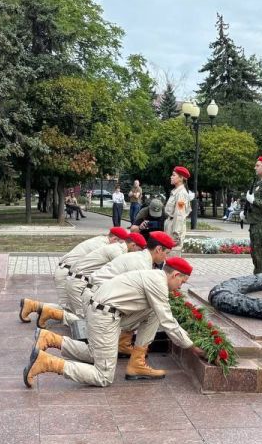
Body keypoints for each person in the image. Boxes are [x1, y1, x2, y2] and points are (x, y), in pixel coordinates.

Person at [24, 257, 205, 388]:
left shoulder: (154, 276)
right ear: (175, 275)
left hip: (104, 313)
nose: (182, 285)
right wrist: (191, 346)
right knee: (103, 376)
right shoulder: (157, 283)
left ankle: (50, 339)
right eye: (183, 280)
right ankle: (47, 362)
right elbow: (168, 321)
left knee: (152, 314)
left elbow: (158, 315)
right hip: (104, 317)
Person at [20, 226, 127, 323]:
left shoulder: (100, 240)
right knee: (74, 311)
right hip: (68, 273)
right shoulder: (102, 246)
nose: (119, 246)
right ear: (114, 239)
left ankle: (32, 306)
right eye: (120, 243)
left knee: (68, 308)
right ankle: (33, 306)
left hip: (66, 271)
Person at [164, 166, 191, 249]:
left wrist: (176, 234)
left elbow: (179, 214)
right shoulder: (176, 192)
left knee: (172, 254)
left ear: (181, 178)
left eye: (173, 175)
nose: (171, 177)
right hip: (171, 224)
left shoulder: (181, 194)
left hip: (174, 228)